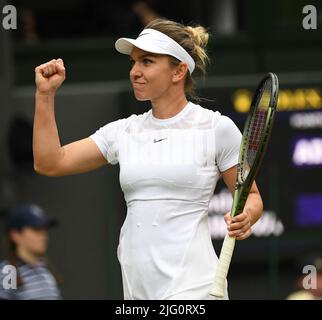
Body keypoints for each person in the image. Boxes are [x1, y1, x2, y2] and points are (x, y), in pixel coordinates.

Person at [32, 18, 263, 300]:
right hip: (137, 289)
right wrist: (45, 95)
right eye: (133, 62)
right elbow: (50, 162)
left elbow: (251, 196)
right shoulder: (123, 131)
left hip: (195, 288)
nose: (135, 72)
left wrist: (247, 216)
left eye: (147, 61)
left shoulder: (217, 128)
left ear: (179, 71)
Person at [0, 204, 62, 300]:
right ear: (15, 235)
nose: (43, 236)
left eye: (44, 230)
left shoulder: (45, 271)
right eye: (36, 229)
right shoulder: (7, 273)